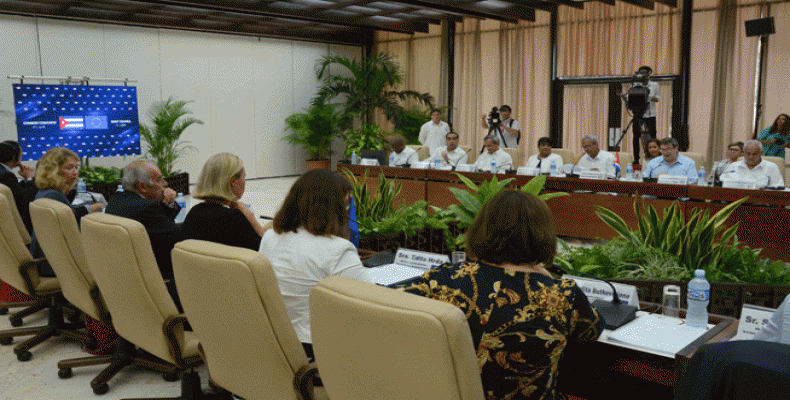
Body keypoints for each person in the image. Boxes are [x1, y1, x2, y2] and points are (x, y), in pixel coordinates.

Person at [403, 191, 603, 400]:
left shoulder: (441, 278)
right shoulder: (561, 294)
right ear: (543, 235)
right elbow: (592, 330)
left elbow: (390, 303)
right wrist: (548, 279)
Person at [259, 169, 373, 360]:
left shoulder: (271, 237)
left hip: (275, 339)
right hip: (316, 349)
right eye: (345, 205)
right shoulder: (337, 249)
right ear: (335, 208)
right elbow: (373, 299)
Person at [104, 160, 182, 309]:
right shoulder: (146, 209)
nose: (165, 183)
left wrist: (166, 205)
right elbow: (178, 239)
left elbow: (159, 229)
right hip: (156, 274)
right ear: (142, 187)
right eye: (159, 179)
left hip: (124, 276)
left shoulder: (117, 201)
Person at [29, 147, 104, 276]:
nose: (75, 172)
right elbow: (73, 223)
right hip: (54, 265)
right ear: (53, 170)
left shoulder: (46, 193)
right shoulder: (53, 196)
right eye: (69, 168)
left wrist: (89, 209)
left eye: (76, 167)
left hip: (45, 260)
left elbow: (69, 213)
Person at [181, 153, 266, 251]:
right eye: (244, 177)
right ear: (233, 181)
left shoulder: (194, 213)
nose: (244, 182)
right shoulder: (234, 219)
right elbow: (265, 253)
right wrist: (250, 218)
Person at [0, 141, 37, 234]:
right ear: (14, 157)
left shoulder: (3, 171)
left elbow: (15, 191)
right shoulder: (6, 175)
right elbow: (24, 199)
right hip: (17, 224)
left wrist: (25, 180)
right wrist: (30, 178)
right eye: (20, 153)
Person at [626, 66, 661, 162]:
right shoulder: (633, 85)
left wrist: (649, 97)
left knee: (653, 136)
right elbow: (628, 97)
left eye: (645, 73)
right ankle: (636, 158)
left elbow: (658, 98)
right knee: (636, 136)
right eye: (640, 72)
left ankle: (654, 157)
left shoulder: (654, 85)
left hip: (650, 114)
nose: (642, 75)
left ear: (649, 74)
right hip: (638, 113)